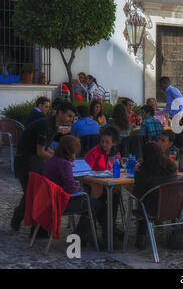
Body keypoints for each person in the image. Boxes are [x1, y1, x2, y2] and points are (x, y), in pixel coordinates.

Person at [10, 101, 76, 233]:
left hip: (35, 160)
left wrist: (63, 157)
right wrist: (61, 161)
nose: (71, 119)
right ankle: (24, 222)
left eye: (72, 117)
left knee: (36, 192)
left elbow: (46, 149)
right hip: (25, 160)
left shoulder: (53, 125)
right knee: (33, 193)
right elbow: (41, 152)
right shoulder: (45, 125)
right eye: (69, 116)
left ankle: (36, 227)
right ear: (60, 113)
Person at [42, 135, 98, 246]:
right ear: (72, 151)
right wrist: (82, 190)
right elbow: (71, 189)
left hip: (49, 199)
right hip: (60, 202)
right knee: (96, 203)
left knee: (91, 201)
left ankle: (85, 234)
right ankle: (81, 235)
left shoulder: (51, 160)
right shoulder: (64, 164)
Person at [133, 141, 179, 249]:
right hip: (173, 207)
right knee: (149, 199)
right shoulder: (172, 167)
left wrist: (136, 172)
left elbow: (137, 193)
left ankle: (141, 236)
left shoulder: (144, 171)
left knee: (144, 202)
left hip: (152, 210)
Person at [84, 126, 122, 246]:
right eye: (102, 141)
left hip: (108, 183)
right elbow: (84, 172)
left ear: (113, 143)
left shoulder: (115, 152)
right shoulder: (94, 152)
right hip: (93, 184)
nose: (104, 144)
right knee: (103, 199)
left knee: (116, 195)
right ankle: (108, 231)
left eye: (107, 142)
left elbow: (117, 167)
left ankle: (110, 229)